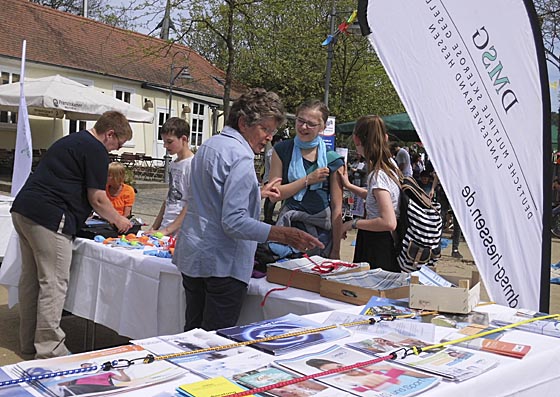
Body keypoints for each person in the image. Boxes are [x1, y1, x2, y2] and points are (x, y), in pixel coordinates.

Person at [173, 88, 323, 331]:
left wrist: (256, 193)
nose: (269, 138)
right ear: (244, 123)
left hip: (196, 257)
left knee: (192, 335)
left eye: (272, 131)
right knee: (213, 343)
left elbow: (211, 198)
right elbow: (233, 222)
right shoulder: (240, 156)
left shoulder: (211, 145)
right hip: (222, 264)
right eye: (265, 129)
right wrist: (284, 235)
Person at [10, 111, 133, 359]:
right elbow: (97, 198)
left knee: (32, 280)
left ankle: (29, 343)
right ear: (110, 134)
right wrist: (119, 219)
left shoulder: (71, 140)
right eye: (118, 144)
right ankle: (50, 349)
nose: (116, 151)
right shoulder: (96, 149)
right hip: (50, 217)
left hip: (24, 210)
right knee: (53, 284)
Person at [268, 99, 345, 259]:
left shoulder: (333, 160)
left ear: (322, 127)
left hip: (321, 234)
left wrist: (336, 251)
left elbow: (337, 209)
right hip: (289, 231)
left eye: (310, 124)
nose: (303, 127)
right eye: (300, 121)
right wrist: (307, 180)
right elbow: (274, 194)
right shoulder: (281, 150)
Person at [338, 115, 402, 272]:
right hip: (389, 241)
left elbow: (388, 222)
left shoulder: (378, 174)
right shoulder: (391, 165)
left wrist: (351, 223)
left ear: (356, 139)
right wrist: (349, 186)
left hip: (377, 243)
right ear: (385, 138)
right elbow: (377, 199)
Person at [147, 117, 194, 236]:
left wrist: (167, 230)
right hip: (166, 226)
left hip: (180, 231)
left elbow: (192, 203)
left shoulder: (193, 164)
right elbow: (168, 199)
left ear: (184, 139)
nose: (165, 146)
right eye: (164, 142)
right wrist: (154, 227)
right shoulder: (173, 164)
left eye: (169, 142)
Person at [263, 134, 285, 224]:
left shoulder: (276, 152)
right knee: (271, 199)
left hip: (277, 178)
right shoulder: (271, 153)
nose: (281, 143)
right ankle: (267, 218)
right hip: (271, 178)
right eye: (279, 142)